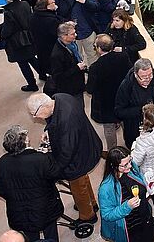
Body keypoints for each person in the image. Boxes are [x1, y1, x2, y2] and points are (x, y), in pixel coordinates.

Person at [25, 93, 100, 231]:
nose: (35, 117)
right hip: (85, 145)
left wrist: (56, 169)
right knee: (83, 180)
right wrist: (48, 130)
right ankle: (92, 203)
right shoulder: (60, 98)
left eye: (34, 114)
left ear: (43, 106)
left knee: (77, 186)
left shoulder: (67, 120)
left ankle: (87, 215)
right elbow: (53, 121)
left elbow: (67, 152)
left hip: (78, 157)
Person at [0, 125, 63, 242]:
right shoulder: (40, 159)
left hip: (19, 214)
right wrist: (47, 151)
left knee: (29, 237)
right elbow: (56, 174)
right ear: (25, 140)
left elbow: (1, 191)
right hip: (45, 209)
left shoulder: (2, 163)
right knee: (51, 233)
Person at [97, 145, 154, 242]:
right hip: (128, 229)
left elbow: (141, 182)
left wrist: (151, 184)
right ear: (113, 165)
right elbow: (107, 215)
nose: (130, 166)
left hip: (145, 219)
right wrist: (127, 206)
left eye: (130, 161)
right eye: (125, 165)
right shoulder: (106, 188)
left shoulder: (132, 168)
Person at [113, 58, 154, 146]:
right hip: (136, 129)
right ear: (135, 74)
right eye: (143, 77)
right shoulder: (127, 86)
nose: (147, 79)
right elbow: (119, 111)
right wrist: (143, 111)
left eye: (150, 75)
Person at [87, 34, 132, 150]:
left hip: (106, 104)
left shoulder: (95, 68)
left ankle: (113, 151)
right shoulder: (123, 57)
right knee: (126, 124)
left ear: (99, 49)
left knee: (109, 129)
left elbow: (90, 89)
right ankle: (130, 144)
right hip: (123, 99)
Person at [0, 0, 44, 91]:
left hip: (17, 41)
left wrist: (2, 35)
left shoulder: (8, 11)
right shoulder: (25, 4)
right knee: (32, 58)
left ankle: (32, 85)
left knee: (23, 64)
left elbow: (8, 28)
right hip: (29, 36)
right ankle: (43, 75)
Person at [53, 0, 97, 66]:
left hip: (88, 31)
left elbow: (96, 7)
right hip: (71, 35)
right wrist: (65, 22)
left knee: (92, 56)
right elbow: (56, 16)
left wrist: (85, 2)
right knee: (76, 57)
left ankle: (94, 75)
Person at [44, 21, 86, 97]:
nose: (76, 35)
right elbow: (58, 76)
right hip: (69, 89)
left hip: (78, 83)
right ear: (64, 36)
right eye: (72, 34)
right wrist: (77, 68)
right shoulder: (57, 55)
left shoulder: (71, 45)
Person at [28, 0, 60, 80]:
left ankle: (42, 75)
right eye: (53, 2)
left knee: (42, 60)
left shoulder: (34, 16)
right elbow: (57, 34)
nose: (55, 3)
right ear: (47, 6)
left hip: (38, 45)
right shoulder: (51, 20)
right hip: (51, 47)